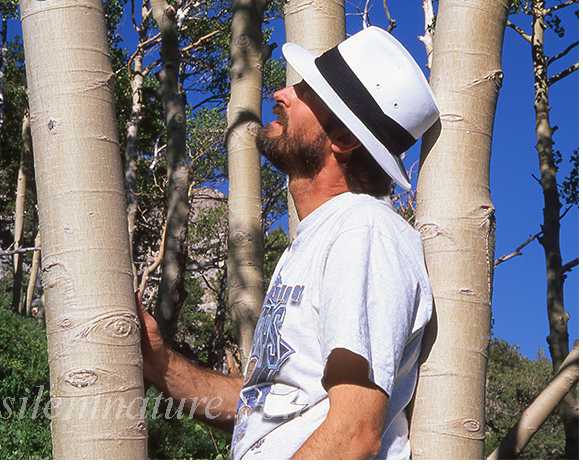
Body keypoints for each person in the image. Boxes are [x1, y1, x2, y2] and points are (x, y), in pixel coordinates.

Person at [136, 26, 439, 459]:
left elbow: (355, 431)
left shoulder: (364, 231)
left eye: (306, 91)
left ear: (346, 139)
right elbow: (265, 406)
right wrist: (159, 362)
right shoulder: (320, 239)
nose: (281, 93)